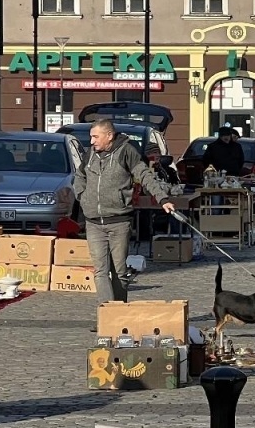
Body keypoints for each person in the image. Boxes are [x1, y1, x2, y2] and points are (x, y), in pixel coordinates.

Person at [72, 119, 178, 308]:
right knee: (100, 271)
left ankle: (119, 313)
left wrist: (162, 199)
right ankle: (106, 315)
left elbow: (145, 175)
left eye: (95, 137)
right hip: (94, 222)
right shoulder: (91, 154)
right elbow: (80, 175)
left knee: (119, 272)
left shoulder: (127, 151)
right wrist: (82, 195)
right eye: (91, 137)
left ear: (109, 136)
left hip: (119, 222)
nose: (91, 141)